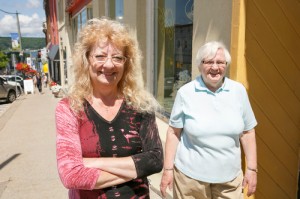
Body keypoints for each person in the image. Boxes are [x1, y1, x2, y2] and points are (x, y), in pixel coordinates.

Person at [55, 17, 163, 199]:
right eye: (100, 56)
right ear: (86, 59)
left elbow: (155, 160)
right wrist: (136, 168)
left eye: (117, 57)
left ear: (126, 63)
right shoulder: (70, 108)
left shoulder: (141, 105)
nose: (109, 64)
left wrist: (90, 163)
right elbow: (71, 175)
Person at [160, 41, 258, 199]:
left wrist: (252, 169)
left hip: (230, 180)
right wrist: (168, 170)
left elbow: (247, 132)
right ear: (199, 65)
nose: (215, 67)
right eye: (209, 62)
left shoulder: (238, 91)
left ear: (226, 65)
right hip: (190, 180)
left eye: (220, 62)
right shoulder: (186, 93)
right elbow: (174, 132)